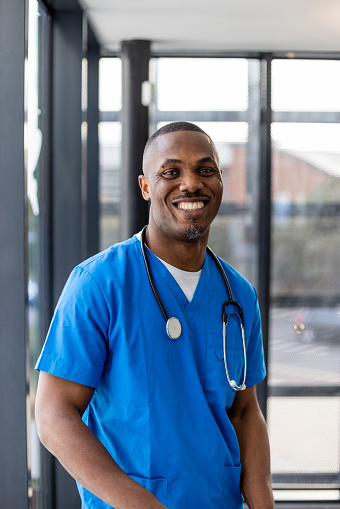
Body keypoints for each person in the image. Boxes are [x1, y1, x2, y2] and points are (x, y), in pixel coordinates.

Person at [35, 121, 275, 509]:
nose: (191, 184)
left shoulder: (238, 295)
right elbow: (53, 415)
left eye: (205, 169)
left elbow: (246, 412)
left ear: (220, 182)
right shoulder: (98, 283)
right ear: (146, 186)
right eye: (171, 171)